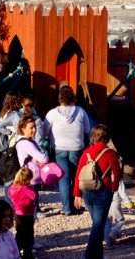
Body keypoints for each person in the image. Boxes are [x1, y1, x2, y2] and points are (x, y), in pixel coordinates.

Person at [74, 124, 121, 259]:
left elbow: (78, 174)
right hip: (103, 192)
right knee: (97, 226)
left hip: (87, 192)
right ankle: (89, 255)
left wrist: (77, 194)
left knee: (97, 224)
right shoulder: (110, 153)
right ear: (107, 138)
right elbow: (117, 174)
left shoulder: (86, 152)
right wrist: (114, 188)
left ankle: (98, 255)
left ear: (93, 137)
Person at [44, 85, 90, 216]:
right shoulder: (80, 111)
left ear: (59, 98)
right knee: (76, 178)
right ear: (72, 97)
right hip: (76, 148)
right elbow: (87, 130)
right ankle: (76, 204)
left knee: (63, 178)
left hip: (59, 147)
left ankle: (66, 208)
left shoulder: (52, 113)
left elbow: (45, 132)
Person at [14, 116, 49, 215]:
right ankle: (33, 214)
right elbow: (43, 158)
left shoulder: (29, 141)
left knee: (34, 196)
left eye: (35, 127)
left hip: (32, 174)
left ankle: (35, 210)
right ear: (23, 129)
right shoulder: (26, 143)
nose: (34, 130)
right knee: (32, 197)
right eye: (31, 128)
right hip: (30, 175)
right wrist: (43, 157)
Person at [8, 168, 37, 259]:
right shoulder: (25, 189)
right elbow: (34, 196)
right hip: (27, 213)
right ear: (27, 180)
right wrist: (30, 187)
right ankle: (27, 254)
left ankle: (16, 252)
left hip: (17, 213)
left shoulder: (13, 187)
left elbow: (9, 194)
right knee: (28, 235)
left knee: (20, 233)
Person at [105, 177, 133, 247]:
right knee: (120, 220)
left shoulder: (103, 176)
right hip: (114, 202)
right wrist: (128, 202)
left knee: (107, 222)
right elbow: (123, 193)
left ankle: (108, 243)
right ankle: (113, 232)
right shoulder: (117, 179)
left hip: (104, 202)